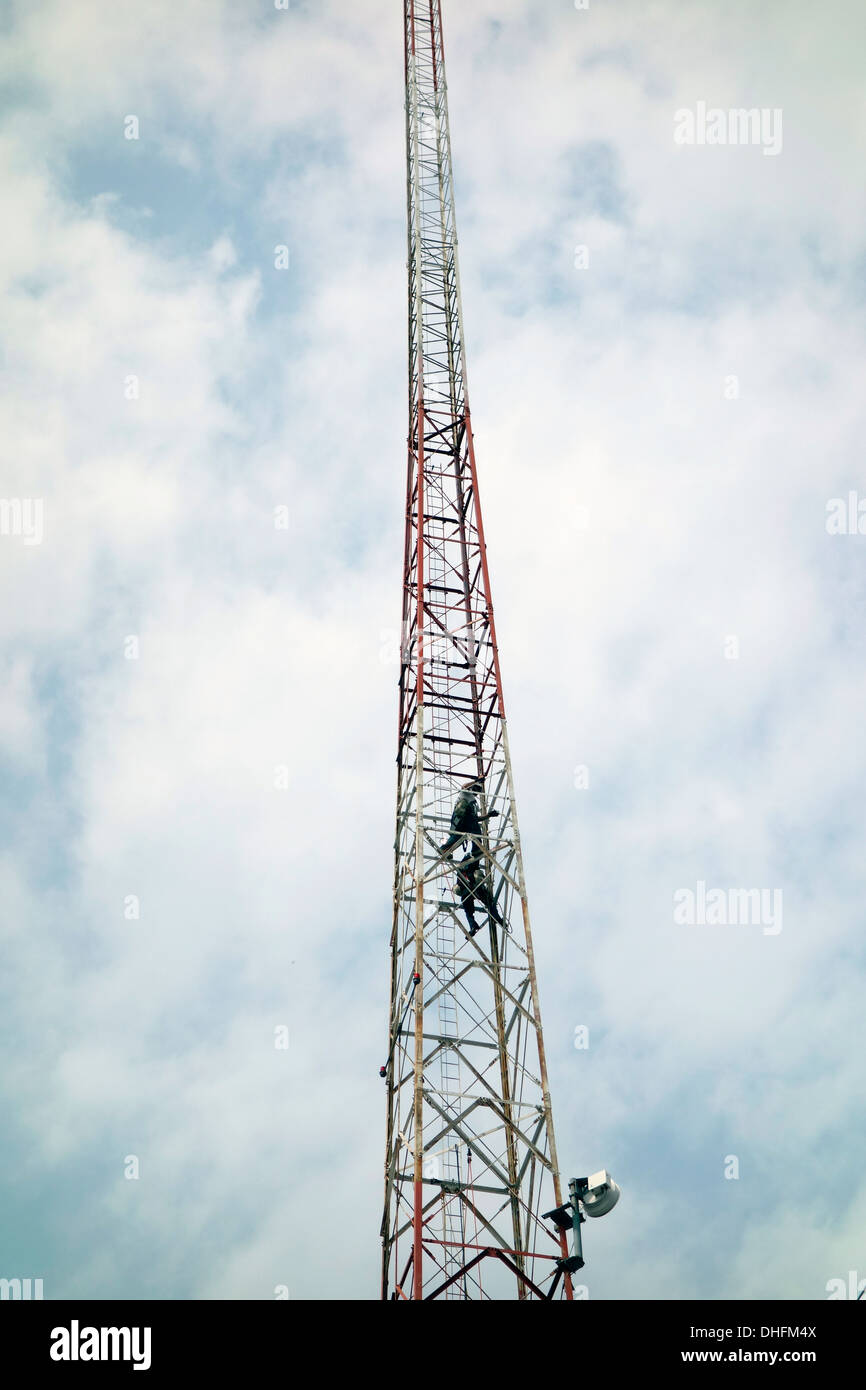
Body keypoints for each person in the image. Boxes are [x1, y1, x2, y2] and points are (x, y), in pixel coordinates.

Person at [440, 777, 499, 859]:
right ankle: (476, 849)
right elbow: (463, 786)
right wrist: (475, 781)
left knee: (459, 837)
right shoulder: (465, 793)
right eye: (476, 788)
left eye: (479, 790)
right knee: (474, 827)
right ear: (472, 787)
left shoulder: (474, 802)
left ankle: (445, 849)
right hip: (461, 818)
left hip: (465, 822)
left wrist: (489, 815)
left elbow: (476, 818)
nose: (477, 791)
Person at [455, 848, 504, 936]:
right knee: (489, 903)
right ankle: (497, 919)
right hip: (475, 888)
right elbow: (476, 858)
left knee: (469, 911)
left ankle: (473, 926)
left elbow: (459, 884)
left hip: (468, 890)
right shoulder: (468, 866)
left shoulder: (460, 871)